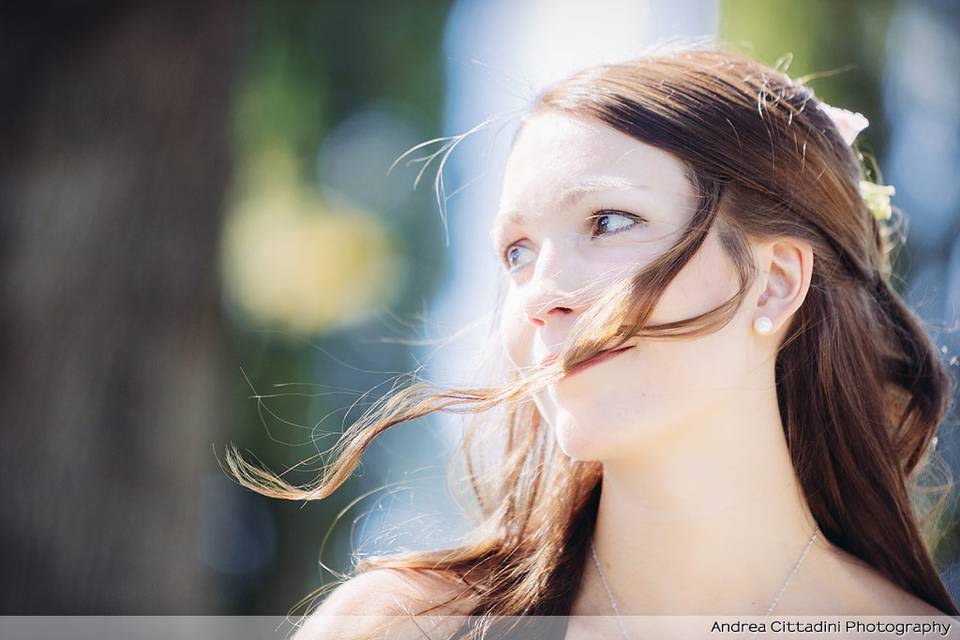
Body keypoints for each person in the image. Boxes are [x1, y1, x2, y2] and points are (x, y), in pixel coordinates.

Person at [226, 45, 959, 639]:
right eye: (516, 252)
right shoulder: (404, 628)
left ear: (773, 282)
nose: (541, 293)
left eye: (609, 221)